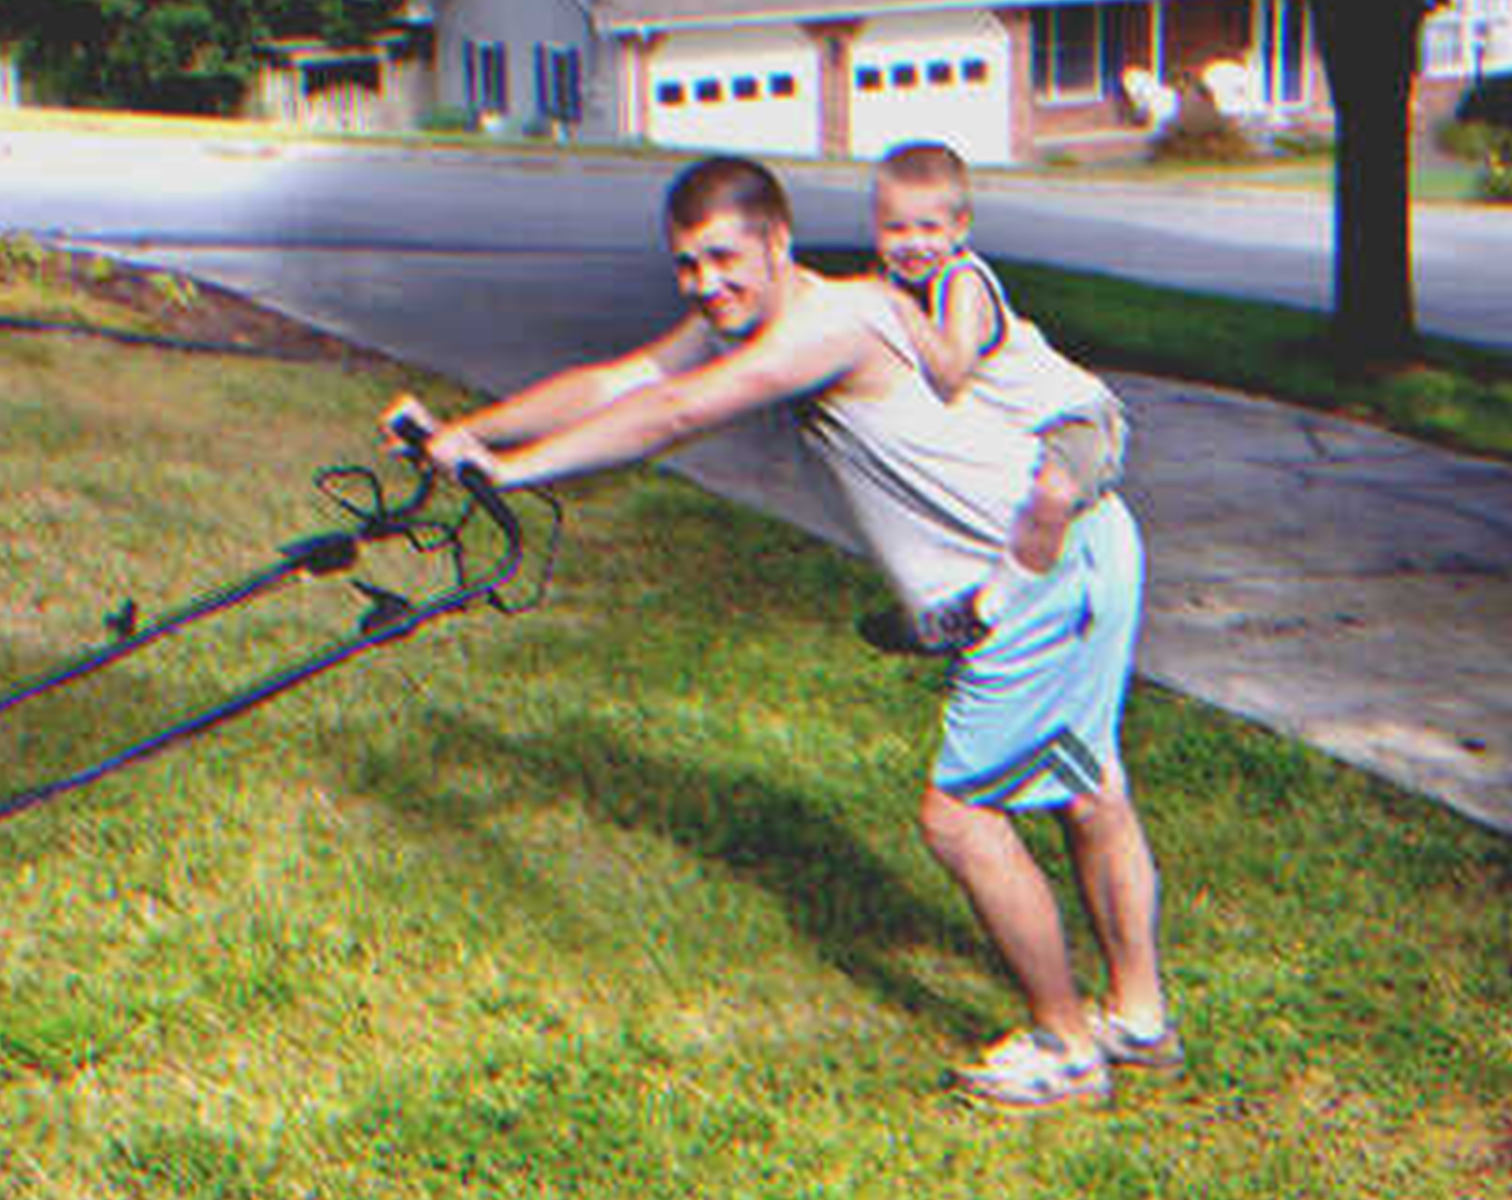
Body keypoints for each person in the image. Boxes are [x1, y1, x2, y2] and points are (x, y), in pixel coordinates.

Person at [391, 155, 1178, 1114]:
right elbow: (624, 379)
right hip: (1079, 555)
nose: (706, 283)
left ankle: (1065, 1046)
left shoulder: (833, 321)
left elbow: (675, 411)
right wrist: (472, 436)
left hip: (1044, 570)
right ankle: (1136, 1019)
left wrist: (515, 475)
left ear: (778, 241)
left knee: (962, 818)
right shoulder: (764, 309)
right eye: (686, 265)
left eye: (724, 257)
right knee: (1089, 792)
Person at [867, 141, 1130, 650]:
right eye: (896, 228)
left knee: (1050, 497)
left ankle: (988, 614)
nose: (912, 244)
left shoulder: (960, 281)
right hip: (1011, 432)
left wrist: (898, 308)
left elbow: (950, 373)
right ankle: (936, 599)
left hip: (1076, 418)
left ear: (959, 228)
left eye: (929, 229)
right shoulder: (895, 283)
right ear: (876, 227)